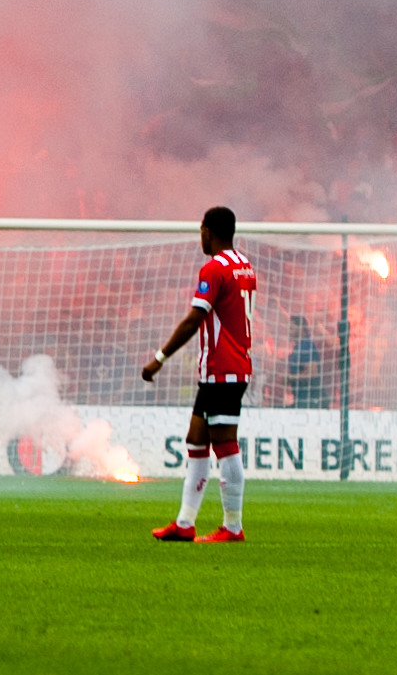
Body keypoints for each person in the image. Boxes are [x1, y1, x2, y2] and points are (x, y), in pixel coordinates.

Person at [141, 205, 257, 543]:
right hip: (224, 369)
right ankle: (185, 523)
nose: (200, 238)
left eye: (201, 231)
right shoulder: (244, 265)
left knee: (225, 445)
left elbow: (194, 319)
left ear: (208, 231)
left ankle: (233, 526)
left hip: (223, 369)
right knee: (196, 439)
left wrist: (160, 358)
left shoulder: (214, 268)